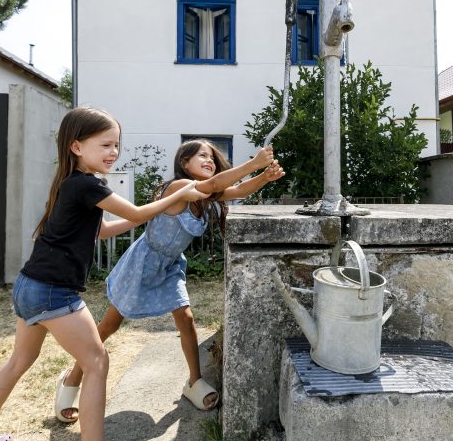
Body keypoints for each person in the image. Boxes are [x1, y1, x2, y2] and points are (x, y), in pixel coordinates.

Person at [0, 107, 207, 441]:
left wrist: (143, 222)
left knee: (18, 362)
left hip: (30, 286)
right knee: (97, 361)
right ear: (76, 146)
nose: (113, 152)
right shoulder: (88, 184)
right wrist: (184, 195)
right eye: (105, 144)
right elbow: (135, 213)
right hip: (55, 292)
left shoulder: (70, 183)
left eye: (116, 145)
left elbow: (102, 229)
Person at [55, 139, 284, 421]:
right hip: (143, 263)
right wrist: (253, 163)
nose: (209, 160)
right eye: (201, 155)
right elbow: (213, 186)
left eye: (212, 157)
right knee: (109, 325)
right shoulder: (178, 187)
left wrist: (263, 177)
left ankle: (194, 381)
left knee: (186, 318)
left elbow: (235, 190)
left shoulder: (206, 197)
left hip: (170, 266)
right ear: (184, 163)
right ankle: (72, 378)